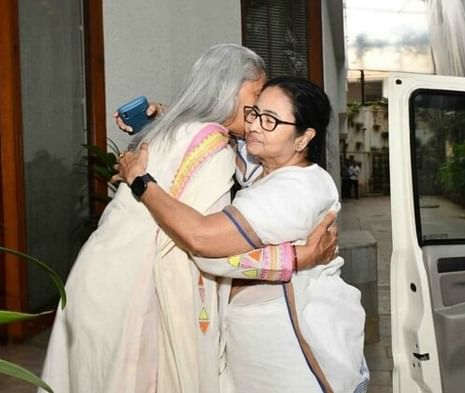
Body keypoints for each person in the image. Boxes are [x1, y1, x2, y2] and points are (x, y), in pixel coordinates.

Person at [38, 44, 336, 393]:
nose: (256, 113)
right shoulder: (211, 142)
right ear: (227, 88)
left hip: (98, 279)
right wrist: (299, 257)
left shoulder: (172, 128)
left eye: (269, 114)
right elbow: (204, 242)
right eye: (256, 98)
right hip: (137, 287)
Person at [118, 76, 369, 393]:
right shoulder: (268, 167)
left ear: (303, 138)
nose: (254, 126)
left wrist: (141, 180)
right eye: (254, 112)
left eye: (270, 120)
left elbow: (202, 240)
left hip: (296, 360)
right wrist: (163, 118)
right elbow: (220, 137)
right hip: (261, 352)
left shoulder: (295, 189)